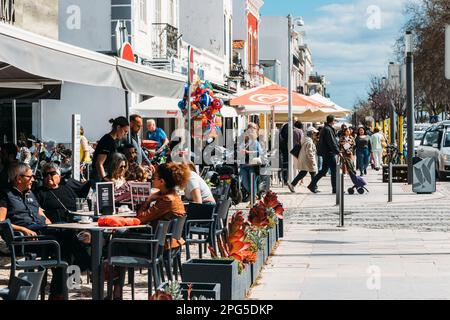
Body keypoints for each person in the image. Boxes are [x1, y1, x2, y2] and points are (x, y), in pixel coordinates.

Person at [0, 162, 67, 299]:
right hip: (26, 239)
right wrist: (23, 229)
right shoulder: (5, 196)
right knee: (67, 243)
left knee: (66, 236)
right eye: (30, 177)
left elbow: (41, 214)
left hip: (43, 232)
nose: (34, 179)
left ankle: (57, 292)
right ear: (19, 179)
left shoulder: (31, 194)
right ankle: (58, 292)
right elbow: (1, 222)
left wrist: (51, 225)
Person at [35, 162, 91, 271]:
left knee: (96, 235)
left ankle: (73, 272)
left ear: (59, 176)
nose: (49, 177)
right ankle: (90, 266)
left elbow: (80, 206)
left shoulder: (67, 189)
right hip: (55, 228)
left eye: (52, 173)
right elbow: (36, 210)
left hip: (76, 225)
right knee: (68, 237)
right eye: (45, 175)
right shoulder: (39, 192)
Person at [308, 115, 341, 194]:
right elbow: (331, 142)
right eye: (334, 120)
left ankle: (312, 185)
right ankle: (335, 189)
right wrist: (337, 151)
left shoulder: (326, 128)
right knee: (334, 171)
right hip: (329, 153)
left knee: (323, 171)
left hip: (326, 152)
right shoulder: (328, 129)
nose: (335, 122)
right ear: (332, 121)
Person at [92, 117, 129, 182]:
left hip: (105, 175)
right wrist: (104, 179)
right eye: (125, 131)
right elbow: (99, 163)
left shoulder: (112, 140)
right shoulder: (107, 141)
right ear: (118, 127)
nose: (125, 134)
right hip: (100, 176)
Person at [287, 127, 318, 193]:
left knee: (303, 173)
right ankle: (313, 187)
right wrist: (313, 161)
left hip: (304, 160)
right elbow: (309, 153)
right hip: (307, 160)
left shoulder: (305, 140)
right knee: (313, 173)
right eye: (315, 133)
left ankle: (292, 184)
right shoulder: (309, 142)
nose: (315, 134)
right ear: (312, 133)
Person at [239, 123, 263, 201]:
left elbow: (259, 153)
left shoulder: (256, 141)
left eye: (252, 129)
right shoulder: (244, 140)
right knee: (245, 183)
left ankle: (253, 200)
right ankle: (253, 196)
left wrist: (247, 152)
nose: (250, 131)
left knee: (252, 184)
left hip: (253, 165)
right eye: (248, 129)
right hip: (244, 165)